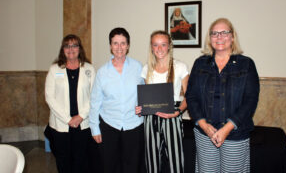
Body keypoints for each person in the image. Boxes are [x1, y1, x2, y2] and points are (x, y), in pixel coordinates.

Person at [186, 18, 260, 172]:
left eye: (224, 32)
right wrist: (203, 125)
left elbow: (250, 101)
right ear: (210, 38)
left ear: (232, 37)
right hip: (205, 134)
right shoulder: (200, 63)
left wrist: (227, 128)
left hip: (235, 133)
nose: (219, 37)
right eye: (214, 33)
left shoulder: (246, 64)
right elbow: (191, 97)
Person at [89, 27, 145, 173]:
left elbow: (145, 93)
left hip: (134, 125)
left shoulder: (139, 67)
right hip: (109, 126)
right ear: (110, 46)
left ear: (128, 46)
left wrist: (143, 107)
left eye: (123, 43)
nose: (119, 47)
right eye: (115, 43)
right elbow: (95, 102)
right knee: (110, 166)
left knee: (132, 166)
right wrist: (95, 128)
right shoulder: (102, 72)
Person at [136, 30, 189, 173]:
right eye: (155, 45)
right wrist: (140, 108)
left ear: (169, 46)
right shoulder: (146, 69)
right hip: (150, 118)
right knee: (152, 161)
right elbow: (146, 97)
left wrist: (177, 112)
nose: (159, 49)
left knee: (175, 160)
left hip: (172, 115)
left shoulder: (180, 67)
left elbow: (189, 96)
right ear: (151, 47)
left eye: (163, 45)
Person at [45, 34, 95, 173]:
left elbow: (94, 96)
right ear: (63, 49)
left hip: (83, 124)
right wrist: (68, 119)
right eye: (67, 45)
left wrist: (81, 116)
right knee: (63, 161)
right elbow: (49, 97)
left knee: (81, 161)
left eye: (74, 45)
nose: (71, 49)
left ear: (80, 49)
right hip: (61, 125)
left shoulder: (89, 69)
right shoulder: (55, 69)